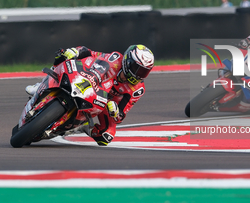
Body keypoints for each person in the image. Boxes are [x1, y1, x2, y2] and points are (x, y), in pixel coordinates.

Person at [25, 44, 154, 146]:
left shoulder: (138, 89)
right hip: (89, 76)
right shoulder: (115, 58)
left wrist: (115, 111)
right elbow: (90, 53)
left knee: (106, 136)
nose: (139, 75)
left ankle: (81, 127)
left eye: (144, 72)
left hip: (104, 102)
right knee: (64, 56)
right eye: (137, 69)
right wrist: (75, 52)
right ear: (128, 61)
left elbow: (121, 116)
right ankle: (42, 85)